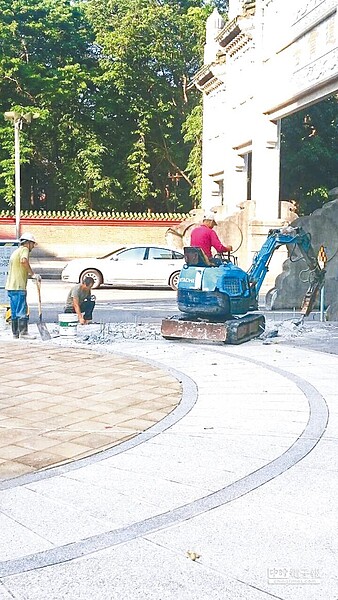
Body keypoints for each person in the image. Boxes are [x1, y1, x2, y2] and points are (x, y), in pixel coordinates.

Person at [5, 232, 40, 339]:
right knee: (22, 309)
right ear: (28, 243)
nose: (33, 247)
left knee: (14, 310)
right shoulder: (24, 250)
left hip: (11, 286)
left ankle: (15, 333)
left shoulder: (16, 251)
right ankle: (24, 333)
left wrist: (29, 276)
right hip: (19, 286)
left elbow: (18, 269)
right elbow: (24, 261)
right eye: (33, 244)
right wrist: (33, 274)